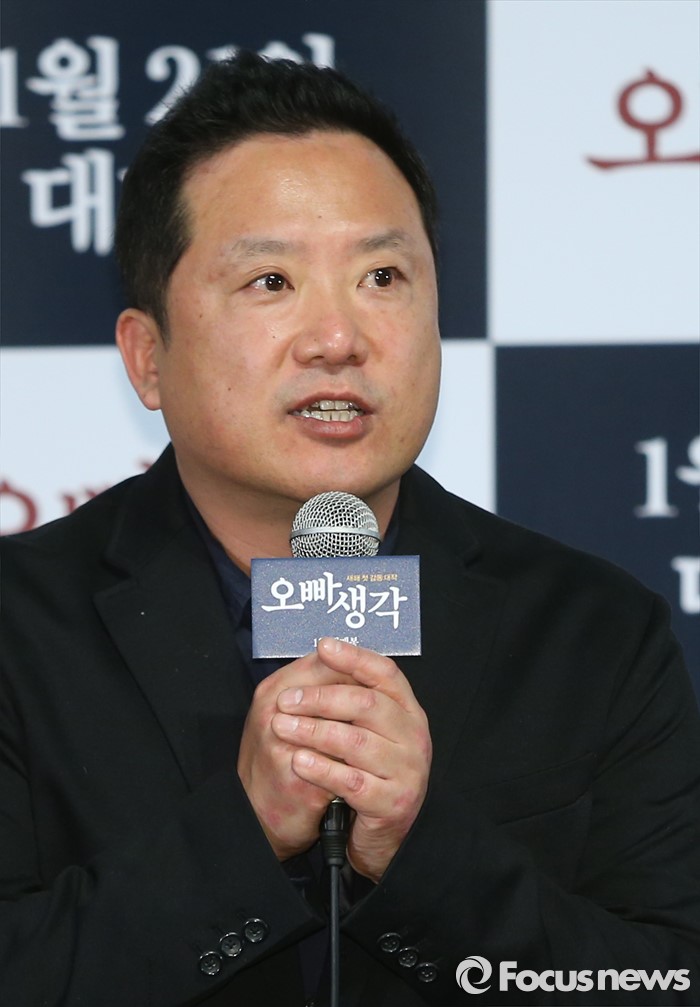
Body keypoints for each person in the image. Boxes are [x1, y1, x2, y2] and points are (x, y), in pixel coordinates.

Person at [1, 50, 698, 1007]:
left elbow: (660, 980)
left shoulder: (593, 632)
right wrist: (242, 837)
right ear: (147, 356)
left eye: (382, 274)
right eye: (271, 281)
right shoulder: (19, 629)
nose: (338, 338)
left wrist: (421, 854)